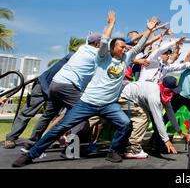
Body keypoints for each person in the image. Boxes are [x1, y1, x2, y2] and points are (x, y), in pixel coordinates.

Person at [12, 12, 160, 167]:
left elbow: (138, 47)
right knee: (61, 126)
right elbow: (104, 41)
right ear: (112, 48)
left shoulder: (126, 58)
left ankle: (113, 151)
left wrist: (149, 30)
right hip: (87, 102)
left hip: (109, 105)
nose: (125, 49)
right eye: (122, 47)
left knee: (125, 123)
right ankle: (31, 154)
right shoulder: (103, 57)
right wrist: (111, 24)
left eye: (125, 47)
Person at [119, 36, 190, 159]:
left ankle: (153, 145)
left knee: (156, 121)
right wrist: (174, 42)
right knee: (145, 120)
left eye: (169, 54)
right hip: (138, 96)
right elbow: (159, 50)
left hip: (148, 97)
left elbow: (180, 67)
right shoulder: (152, 61)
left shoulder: (165, 68)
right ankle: (131, 146)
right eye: (165, 53)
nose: (168, 55)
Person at [4, 51, 76, 149]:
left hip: (59, 89)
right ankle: (11, 138)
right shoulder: (73, 56)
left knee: (56, 115)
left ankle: (52, 139)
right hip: (43, 86)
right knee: (27, 112)